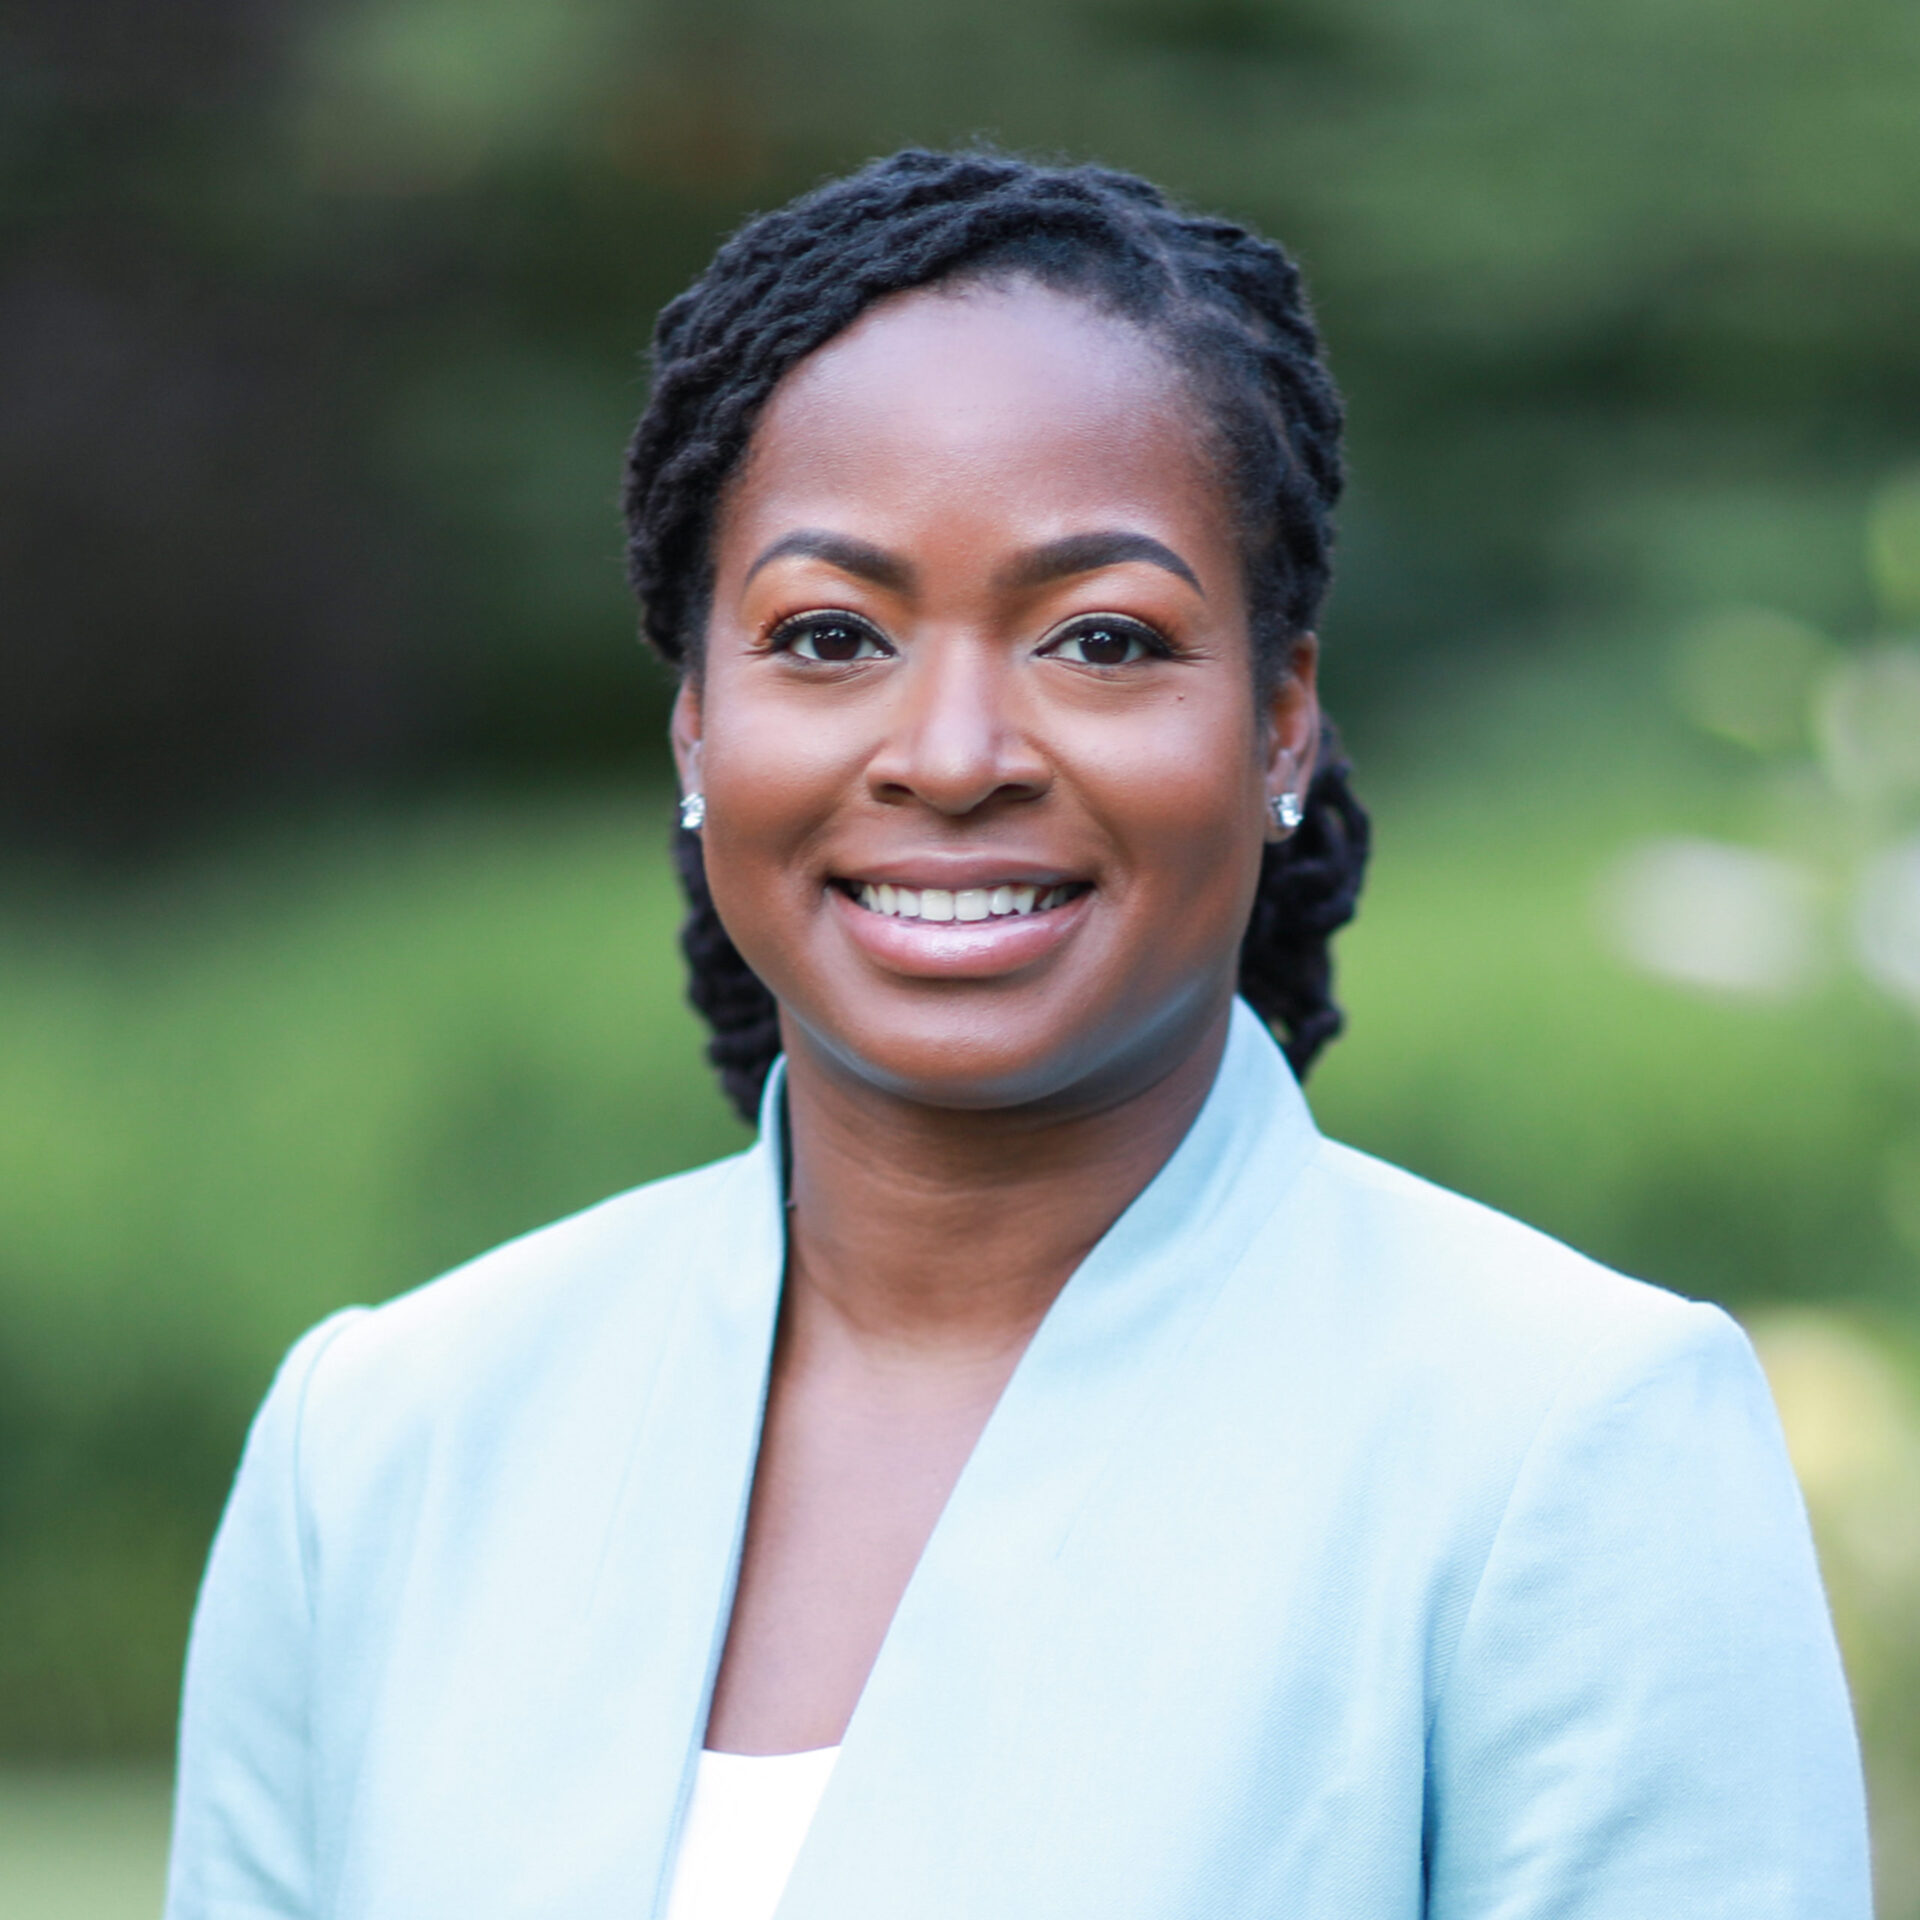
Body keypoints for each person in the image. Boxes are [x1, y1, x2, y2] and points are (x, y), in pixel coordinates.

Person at [164, 150, 1870, 1920]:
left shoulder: (1563, 1440)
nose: (954, 753)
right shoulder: (388, 1444)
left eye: (1102, 639)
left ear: (1281, 724)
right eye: (831, 635)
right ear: (696, 729)